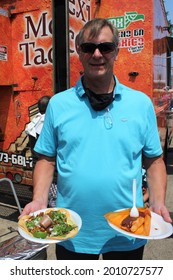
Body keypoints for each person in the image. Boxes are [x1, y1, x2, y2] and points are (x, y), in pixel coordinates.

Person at [20, 18, 172, 260]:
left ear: (116, 52)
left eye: (106, 47)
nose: (97, 54)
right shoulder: (59, 105)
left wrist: (158, 203)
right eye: (89, 48)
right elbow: (46, 159)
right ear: (79, 52)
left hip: (128, 231)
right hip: (71, 233)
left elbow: (154, 161)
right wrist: (39, 200)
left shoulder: (140, 103)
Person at [25, 95, 57, 207]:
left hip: (37, 169)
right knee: (53, 203)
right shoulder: (47, 125)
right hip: (51, 174)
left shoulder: (33, 124)